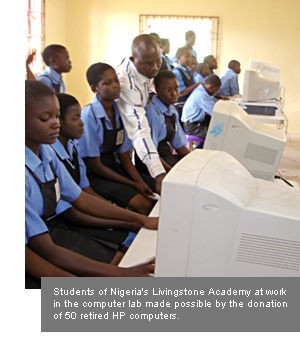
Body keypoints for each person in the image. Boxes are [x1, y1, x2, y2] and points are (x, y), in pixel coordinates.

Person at [25, 80, 157, 287]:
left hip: (47, 237)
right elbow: (44, 250)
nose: (55, 123)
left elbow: (81, 199)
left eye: (57, 116)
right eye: (45, 118)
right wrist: (119, 274)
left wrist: (141, 220)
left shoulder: (47, 154)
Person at [51, 92, 144, 253]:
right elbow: (73, 213)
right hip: (64, 222)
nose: (82, 123)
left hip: (77, 214)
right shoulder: (51, 157)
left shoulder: (73, 147)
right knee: (126, 246)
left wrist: (113, 211)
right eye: (75, 119)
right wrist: (124, 221)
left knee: (132, 235)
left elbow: (87, 192)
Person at [79, 62, 156, 216]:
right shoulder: (89, 115)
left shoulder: (120, 110)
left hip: (114, 166)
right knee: (144, 205)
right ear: (95, 89)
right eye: (107, 83)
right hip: (95, 174)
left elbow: (124, 155)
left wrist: (139, 181)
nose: (115, 86)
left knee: (157, 189)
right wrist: (133, 183)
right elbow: (96, 166)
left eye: (116, 80)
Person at [116, 34, 166, 194]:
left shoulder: (146, 66)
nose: (155, 67)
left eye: (158, 60)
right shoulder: (126, 84)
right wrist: (158, 173)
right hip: (118, 138)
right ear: (133, 59)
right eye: (147, 63)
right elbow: (138, 130)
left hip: (130, 135)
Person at [136, 70, 190, 174]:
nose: (174, 93)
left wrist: (196, 160)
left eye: (176, 89)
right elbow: (151, 153)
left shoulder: (172, 110)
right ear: (157, 90)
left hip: (166, 158)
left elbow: (179, 146)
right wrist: (171, 173)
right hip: (151, 165)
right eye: (168, 90)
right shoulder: (152, 113)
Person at [181, 74, 222, 139]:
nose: (215, 93)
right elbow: (215, 112)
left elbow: (212, 102)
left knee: (218, 127)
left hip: (194, 123)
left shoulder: (201, 90)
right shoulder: (202, 95)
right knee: (219, 132)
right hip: (192, 127)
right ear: (210, 87)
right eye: (215, 90)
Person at [172, 47, 202, 120]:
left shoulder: (188, 71)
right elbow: (181, 92)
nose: (190, 59)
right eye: (187, 57)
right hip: (180, 105)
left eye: (191, 57)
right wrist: (197, 84)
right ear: (179, 58)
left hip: (188, 105)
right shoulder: (177, 72)